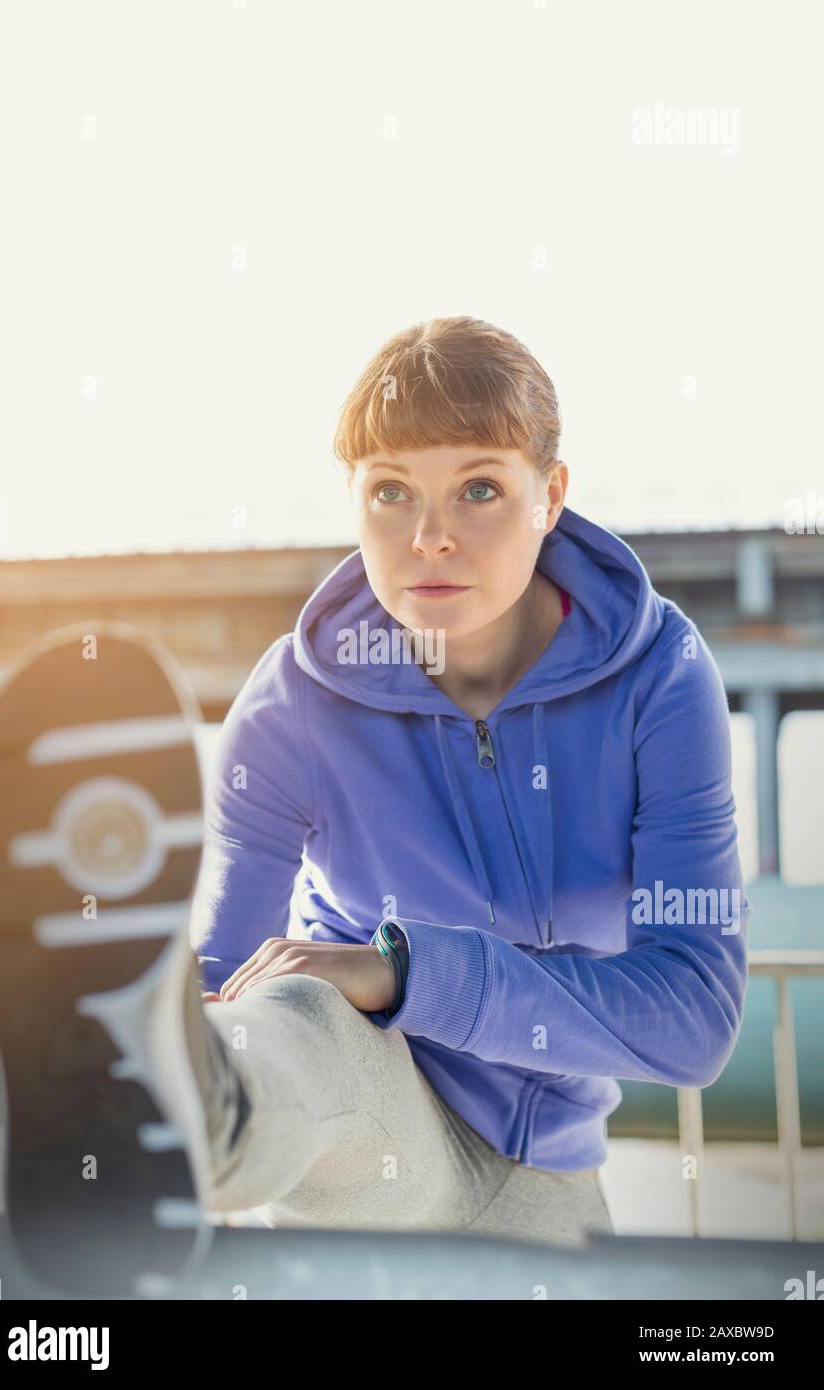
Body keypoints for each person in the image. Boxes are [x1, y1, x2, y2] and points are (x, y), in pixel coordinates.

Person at [186, 315, 749, 1242]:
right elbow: (225, 975)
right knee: (298, 1010)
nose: (430, 538)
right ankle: (165, 1126)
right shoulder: (292, 703)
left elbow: (695, 1016)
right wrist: (194, 1014)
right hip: (372, 1122)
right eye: (392, 492)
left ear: (550, 495)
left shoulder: (661, 677)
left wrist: (409, 971)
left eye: (479, 489)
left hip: (552, 1169)